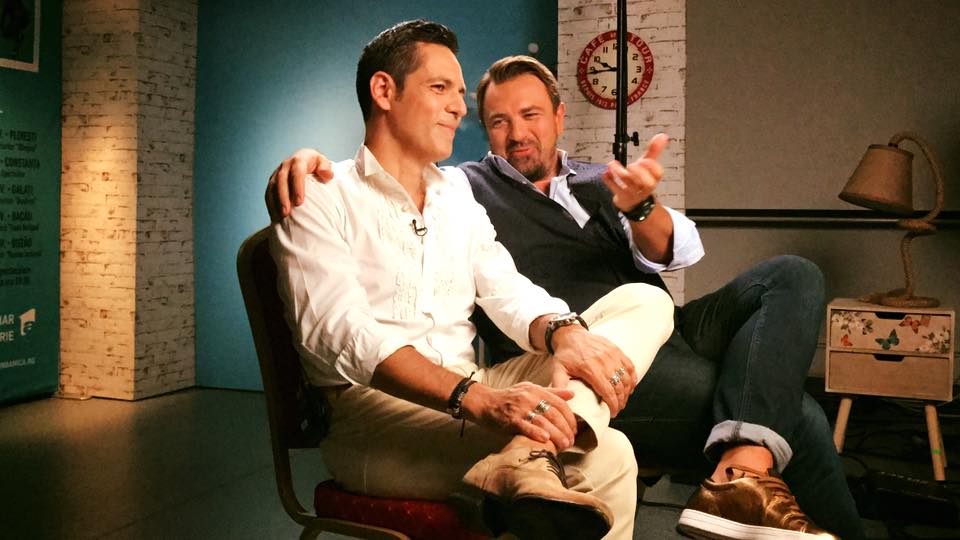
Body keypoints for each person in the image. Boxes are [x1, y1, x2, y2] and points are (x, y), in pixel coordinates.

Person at [268, 52, 866, 539]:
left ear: (559, 116)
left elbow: (675, 251)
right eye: (494, 119)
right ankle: (747, 478)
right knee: (796, 415)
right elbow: (345, 318)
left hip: (636, 338)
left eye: (530, 115)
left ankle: (558, 449)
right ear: (385, 91)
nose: (511, 131)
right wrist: (309, 159)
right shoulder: (465, 184)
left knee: (767, 278)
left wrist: (630, 229)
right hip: (442, 397)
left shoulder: (587, 180)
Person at [269, 21, 675, 540]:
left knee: (643, 300)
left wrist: (563, 333)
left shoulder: (455, 194)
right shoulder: (319, 192)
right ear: (384, 91)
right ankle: (529, 453)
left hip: (473, 384)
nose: (461, 109)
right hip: (372, 419)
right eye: (440, 88)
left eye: (460, 94)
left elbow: (505, 286)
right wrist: (479, 399)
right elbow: (340, 333)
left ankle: (528, 451)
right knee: (608, 454)